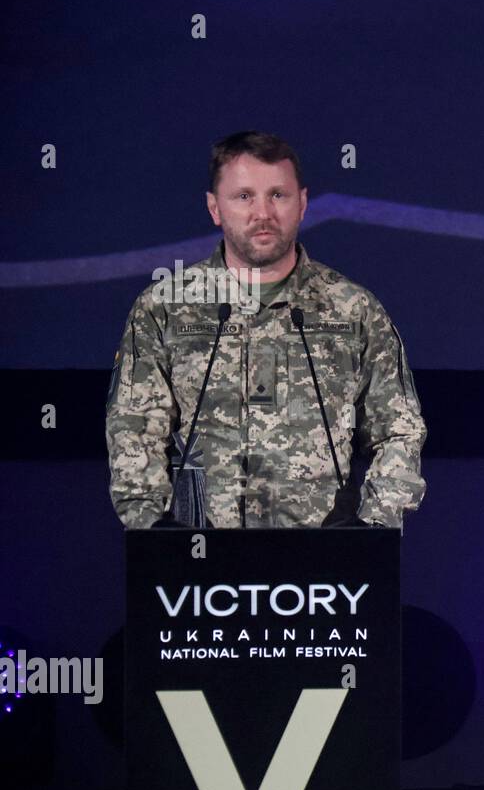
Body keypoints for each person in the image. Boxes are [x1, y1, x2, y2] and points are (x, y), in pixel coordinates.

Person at [106, 130, 426, 528]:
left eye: (278, 195)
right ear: (214, 208)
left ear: (303, 203)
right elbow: (133, 429)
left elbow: (400, 431)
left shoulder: (353, 309)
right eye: (244, 197)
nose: (263, 212)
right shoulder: (165, 307)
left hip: (322, 562)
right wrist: (153, 528)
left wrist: (371, 528)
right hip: (200, 559)